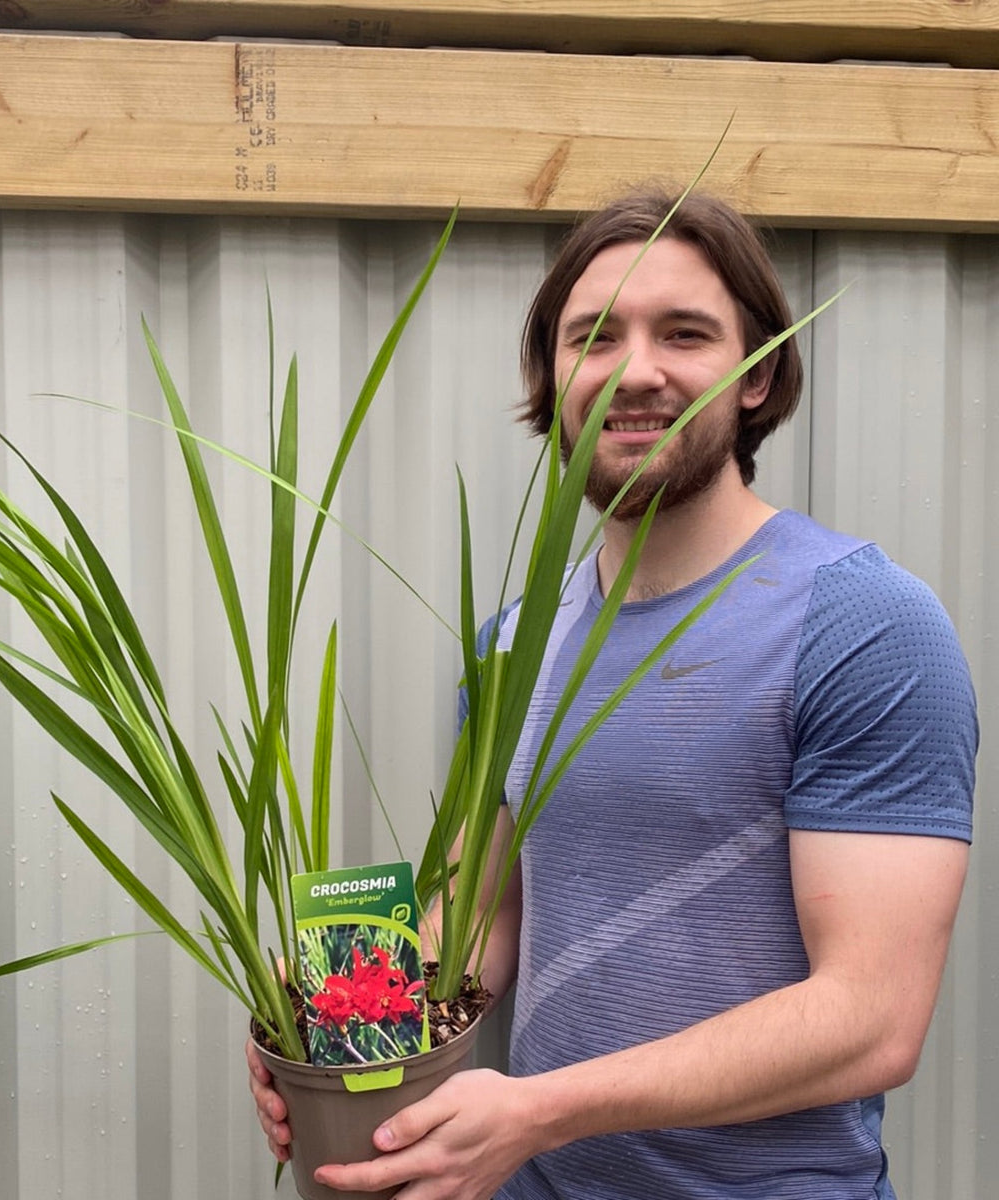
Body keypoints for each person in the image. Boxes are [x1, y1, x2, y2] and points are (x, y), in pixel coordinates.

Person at [246, 190, 978, 1199]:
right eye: (595, 337)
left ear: (758, 375)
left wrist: (539, 1108)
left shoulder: (863, 625)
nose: (637, 372)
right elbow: (475, 919)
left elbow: (871, 1020)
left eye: (684, 333)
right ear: (553, 378)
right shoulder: (514, 644)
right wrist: (330, 1031)